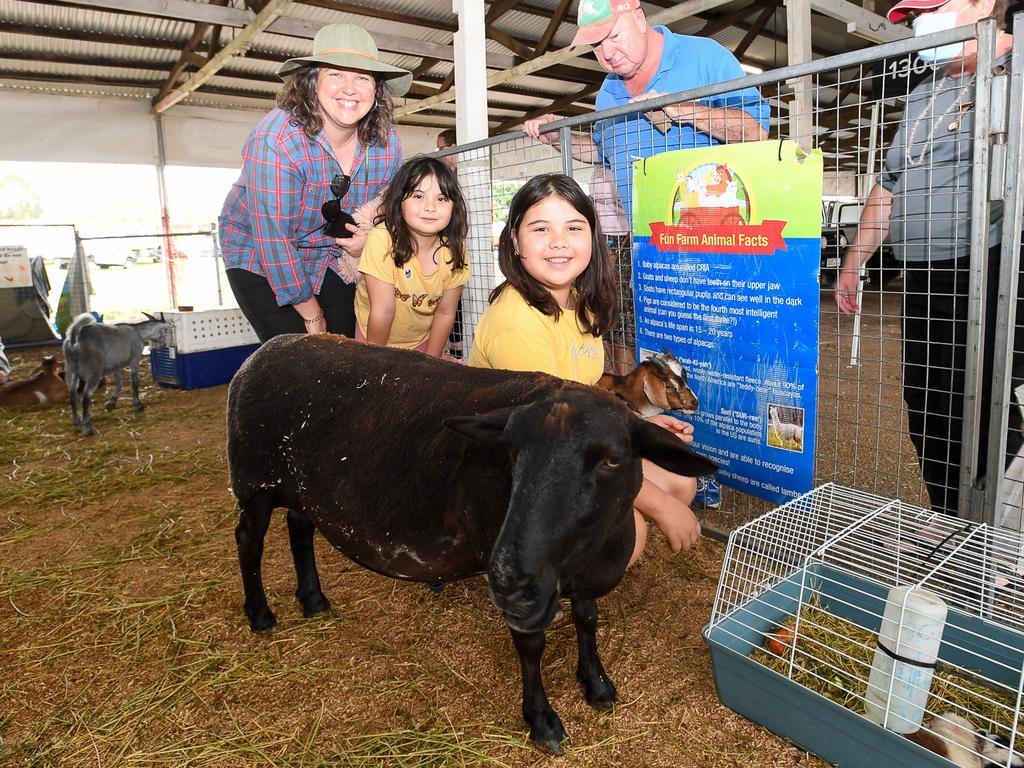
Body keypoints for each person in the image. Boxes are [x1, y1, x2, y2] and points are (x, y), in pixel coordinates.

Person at [835, 0, 1020, 518]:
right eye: (912, 17)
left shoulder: (1014, 74)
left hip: (988, 269)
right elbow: (889, 185)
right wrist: (855, 259)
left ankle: (994, 532)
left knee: (985, 407)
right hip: (922, 274)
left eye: (932, 8)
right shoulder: (924, 92)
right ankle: (951, 519)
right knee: (927, 405)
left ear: (983, 4)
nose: (920, 26)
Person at [468, 173, 702, 564]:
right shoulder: (517, 322)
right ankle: (526, 567)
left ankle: (573, 537)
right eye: (540, 228)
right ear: (514, 240)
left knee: (680, 480)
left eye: (574, 228)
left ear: (592, 238)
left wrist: (634, 424)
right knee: (631, 532)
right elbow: (561, 439)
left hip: (561, 442)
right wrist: (659, 506)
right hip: (514, 463)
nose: (559, 241)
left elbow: (585, 394)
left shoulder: (578, 301)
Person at [218, 23, 412, 343]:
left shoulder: (386, 141)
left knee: (344, 349)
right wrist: (313, 315)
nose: (349, 88)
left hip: (330, 254)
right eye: (336, 74)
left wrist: (371, 240)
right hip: (260, 254)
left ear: (376, 90)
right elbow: (274, 238)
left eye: (362, 77)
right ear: (311, 82)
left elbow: (385, 208)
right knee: (297, 354)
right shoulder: (277, 139)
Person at [522, 0, 770, 213]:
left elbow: (756, 132)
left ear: (639, 19)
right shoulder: (607, 93)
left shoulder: (705, 56)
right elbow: (603, 151)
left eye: (614, 36)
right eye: (596, 45)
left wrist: (683, 109)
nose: (606, 53)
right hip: (648, 246)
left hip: (714, 236)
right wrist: (558, 138)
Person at [354, 156, 470, 356]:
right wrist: (375, 364)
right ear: (400, 201)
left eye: (441, 199)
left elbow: (445, 312)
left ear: (454, 207)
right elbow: (383, 310)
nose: (430, 206)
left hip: (421, 340)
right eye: (418, 196)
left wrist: (430, 363)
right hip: (374, 337)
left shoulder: (455, 251)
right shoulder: (382, 239)